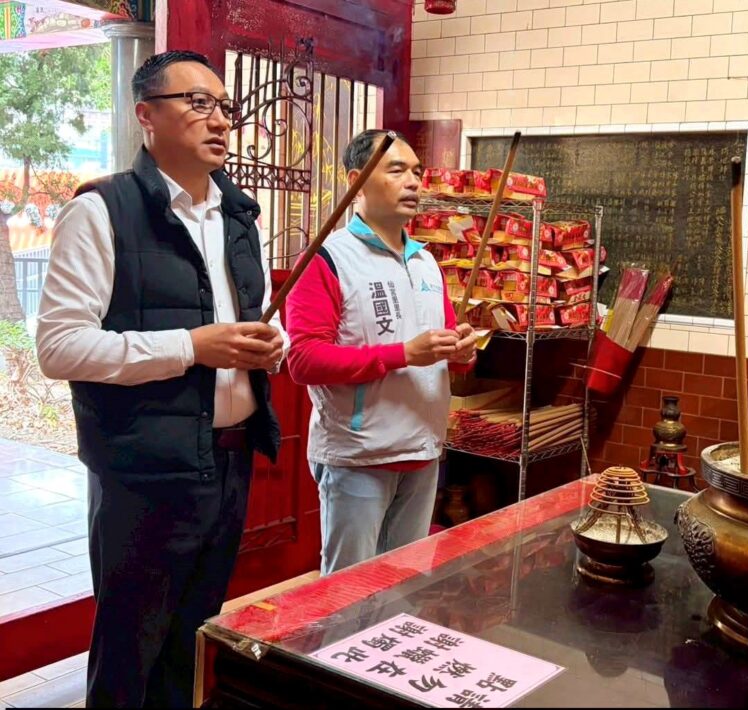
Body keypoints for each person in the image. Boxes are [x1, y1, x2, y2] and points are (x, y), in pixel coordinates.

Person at [35, 50, 286, 708]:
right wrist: (191, 347)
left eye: (225, 107)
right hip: (143, 471)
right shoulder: (102, 210)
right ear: (146, 115)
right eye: (198, 103)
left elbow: (249, 318)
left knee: (192, 639)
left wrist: (269, 345)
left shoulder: (238, 217)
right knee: (130, 650)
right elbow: (59, 347)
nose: (221, 121)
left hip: (228, 460)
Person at [286, 129, 476, 574]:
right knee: (348, 590)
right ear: (356, 181)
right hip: (360, 456)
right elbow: (303, 360)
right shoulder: (325, 259)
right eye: (396, 170)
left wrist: (462, 352)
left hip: (423, 450)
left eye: (417, 172)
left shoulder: (426, 262)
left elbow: (447, 350)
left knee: (405, 585)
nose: (413, 182)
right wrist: (403, 354)